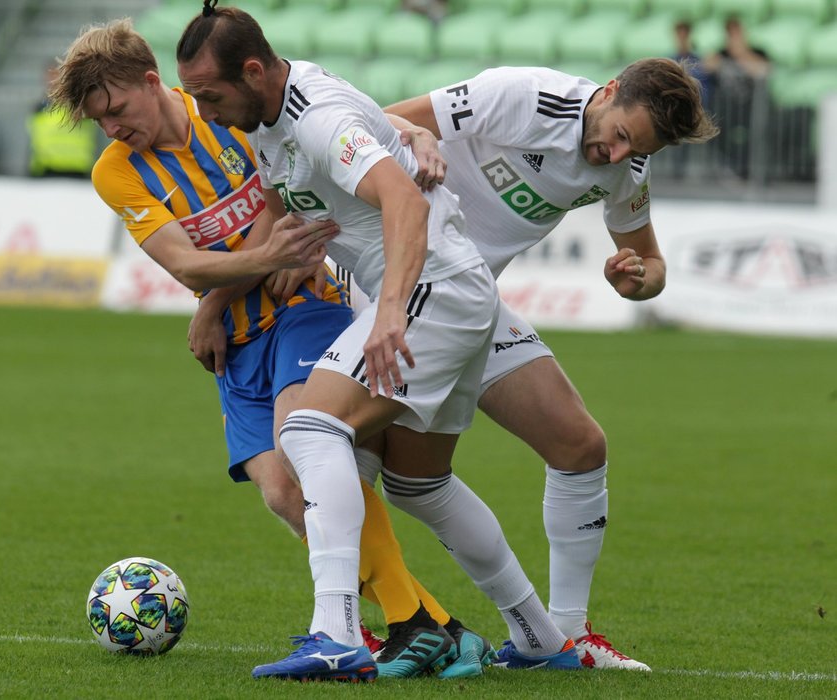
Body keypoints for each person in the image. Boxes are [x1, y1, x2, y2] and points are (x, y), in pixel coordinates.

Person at [49, 18, 493, 680]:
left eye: (114, 110)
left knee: (304, 441)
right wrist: (226, 290)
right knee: (286, 494)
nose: (111, 129)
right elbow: (191, 264)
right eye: (98, 122)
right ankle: (435, 626)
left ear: (150, 82)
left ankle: (391, 626)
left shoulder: (223, 108)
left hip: (303, 306)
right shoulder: (116, 172)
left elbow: (287, 191)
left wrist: (420, 134)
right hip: (234, 342)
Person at [177, 1, 581, 681]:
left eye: (210, 95)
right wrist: (247, 280)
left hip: (434, 288)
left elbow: (402, 199)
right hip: (455, 291)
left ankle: (334, 633)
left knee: (309, 431)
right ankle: (539, 635)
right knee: (419, 483)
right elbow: (289, 199)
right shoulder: (269, 117)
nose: (206, 111)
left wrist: (390, 309)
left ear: (252, 70)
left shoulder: (316, 117)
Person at [380, 57, 719, 671]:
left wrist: (636, 279)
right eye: (617, 136)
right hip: (390, 282)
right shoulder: (525, 97)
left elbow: (651, 263)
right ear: (608, 90)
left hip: (470, 300)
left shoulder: (628, 168)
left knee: (579, 446)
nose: (614, 156)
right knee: (368, 464)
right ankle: (356, 624)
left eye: (635, 149)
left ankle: (563, 635)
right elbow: (376, 127)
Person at [703, 15, 770, 179]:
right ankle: (730, 166)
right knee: (711, 128)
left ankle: (747, 169)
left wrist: (741, 55)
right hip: (726, 107)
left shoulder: (757, 51)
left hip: (751, 106)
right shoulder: (721, 53)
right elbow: (706, 67)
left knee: (757, 133)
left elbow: (764, 71)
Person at [27, 62, 99, 178]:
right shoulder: (39, 109)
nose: (53, 81)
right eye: (50, 77)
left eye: (57, 76)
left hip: (76, 171)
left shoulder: (79, 106)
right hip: (46, 171)